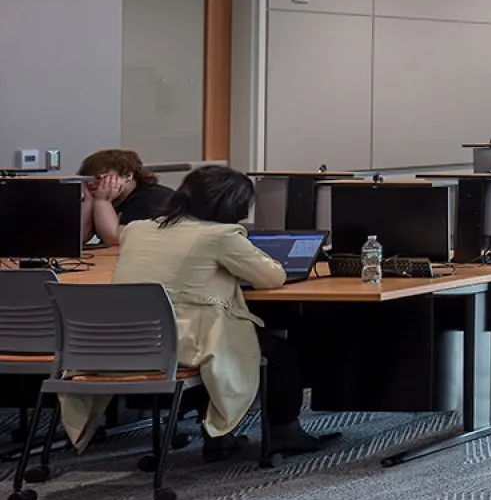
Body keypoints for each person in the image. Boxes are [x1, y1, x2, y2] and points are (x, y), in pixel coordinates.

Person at [61, 165, 337, 460]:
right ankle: (283, 432)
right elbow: (272, 277)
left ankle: (219, 436)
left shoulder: (137, 229)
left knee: (225, 340)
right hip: (181, 346)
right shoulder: (220, 235)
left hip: (125, 342)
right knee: (276, 350)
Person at [76, 148, 174, 248]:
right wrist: (89, 200)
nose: (91, 183)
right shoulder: (101, 197)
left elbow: (115, 239)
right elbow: (79, 237)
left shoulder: (153, 198)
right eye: (87, 179)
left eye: (98, 178)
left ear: (128, 176)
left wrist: (103, 201)